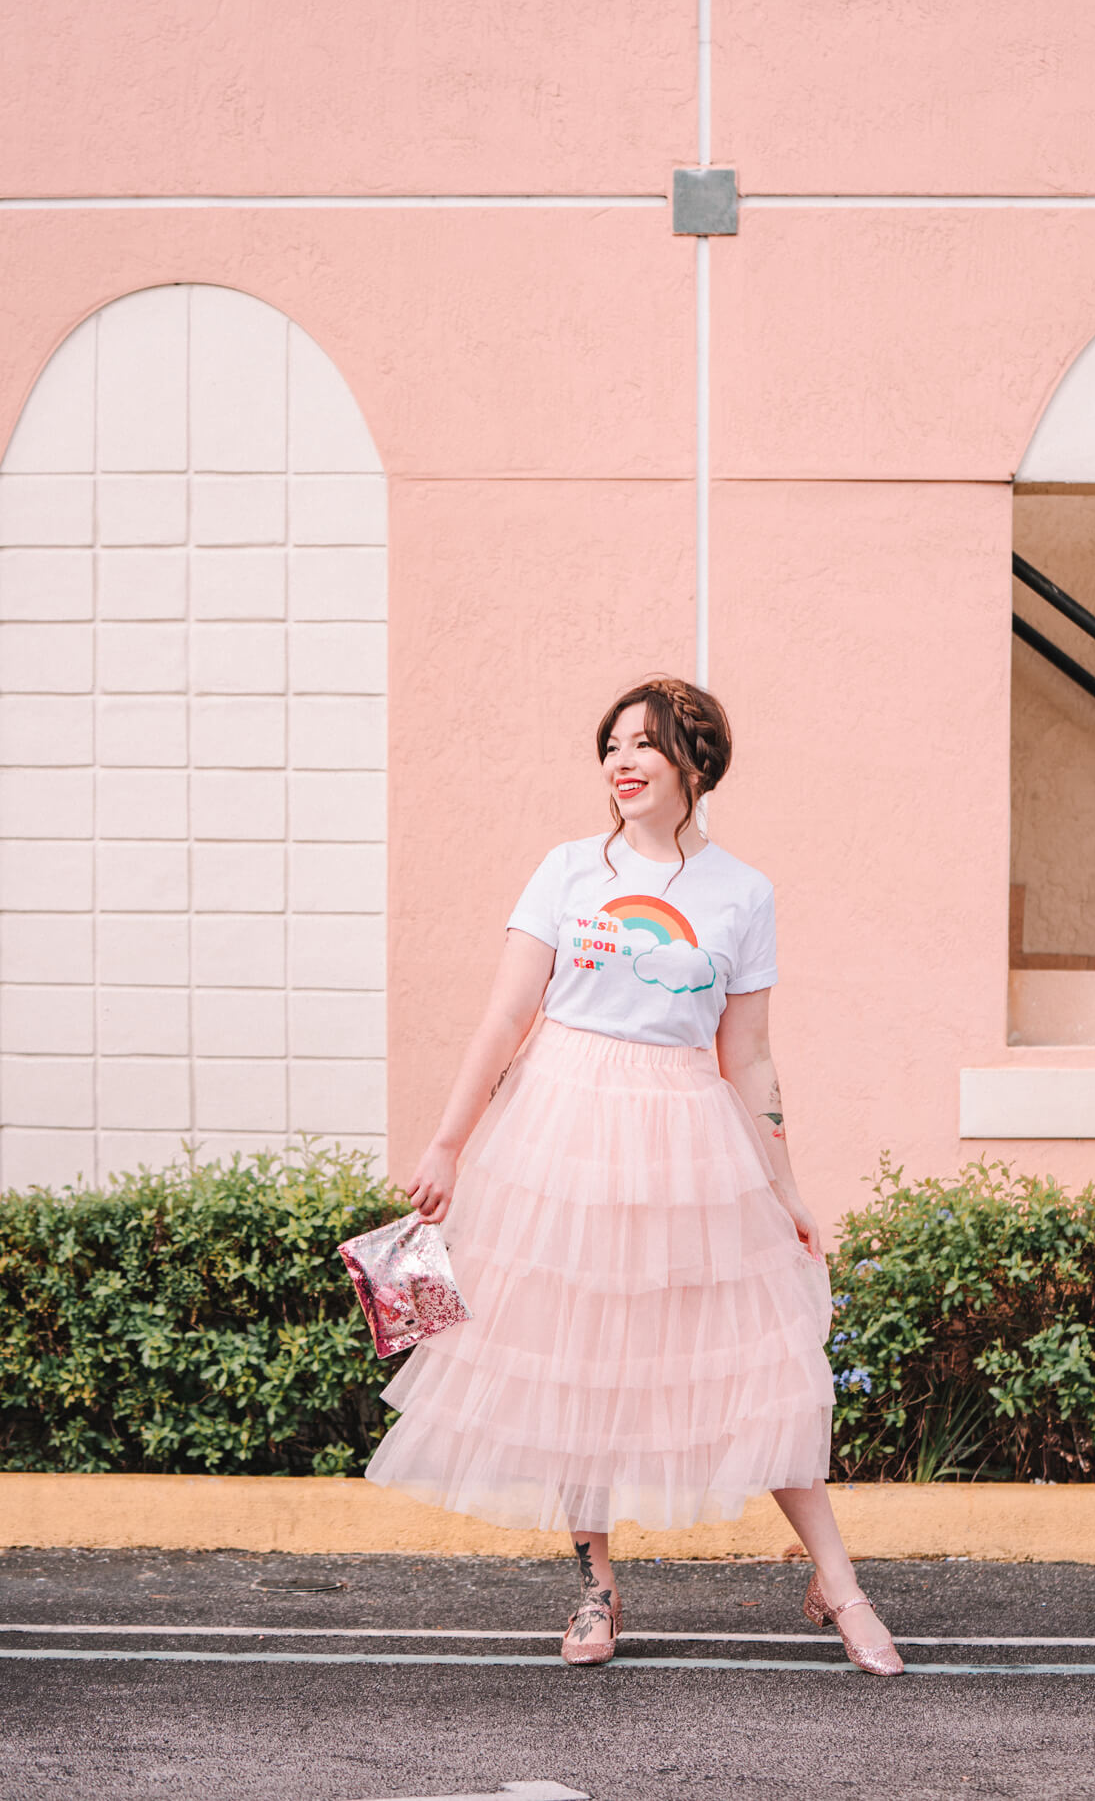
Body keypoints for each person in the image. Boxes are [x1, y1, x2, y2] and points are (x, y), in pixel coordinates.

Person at [364, 676, 902, 1676]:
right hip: (558, 1132)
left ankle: (837, 1582)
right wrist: (446, 1142)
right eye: (610, 743)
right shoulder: (568, 871)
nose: (620, 761)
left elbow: (748, 1059)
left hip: (686, 1138)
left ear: (695, 761)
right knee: (577, 1363)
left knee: (759, 1363)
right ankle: (594, 1588)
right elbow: (504, 1017)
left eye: (643, 743)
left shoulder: (741, 893)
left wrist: (785, 1188)